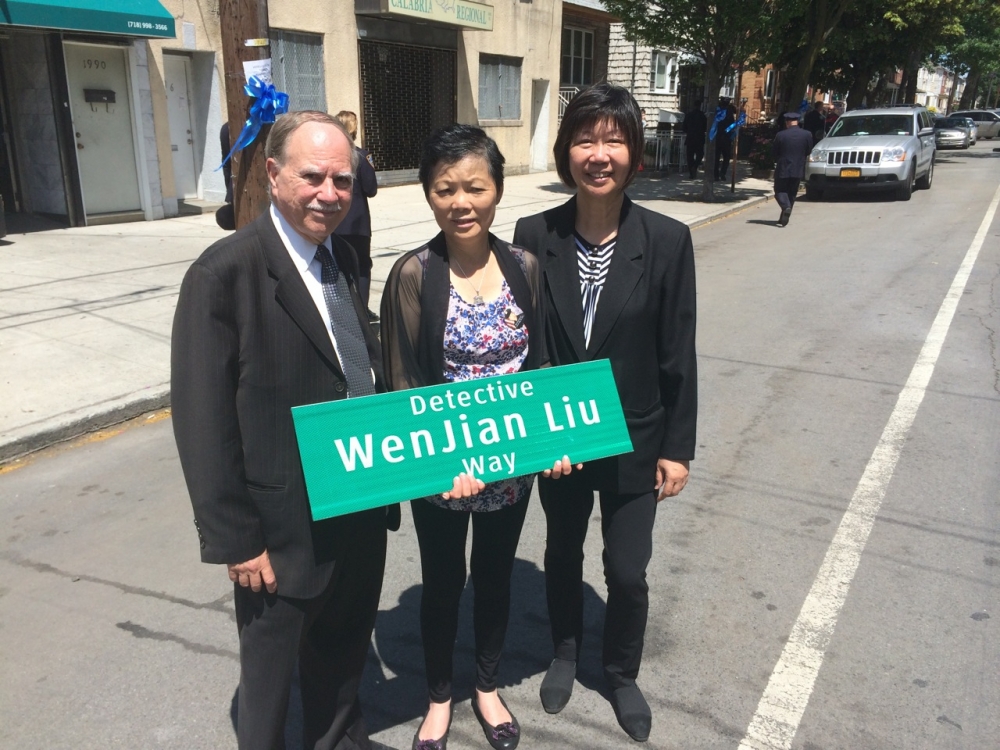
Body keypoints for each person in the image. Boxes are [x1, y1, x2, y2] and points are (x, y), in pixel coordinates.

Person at [172, 110, 396, 750]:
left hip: (358, 501)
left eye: (342, 179)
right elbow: (202, 421)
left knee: (342, 654)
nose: (330, 193)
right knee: (269, 682)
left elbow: (356, 366)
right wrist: (236, 539)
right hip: (279, 532)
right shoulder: (224, 274)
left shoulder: (346, 259)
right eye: (313, 176)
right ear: (273, 175)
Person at [512, 82, 698, 743]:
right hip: (558, 437)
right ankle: (565, 651)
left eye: (613, 140)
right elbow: (527, 342)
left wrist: (678, 448)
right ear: (566, 153)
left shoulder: (669, 240)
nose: (599, 153)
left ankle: (620, 672)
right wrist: (529, 432)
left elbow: (678, 350)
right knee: (562, 552)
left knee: (626, 568)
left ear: (634, 154)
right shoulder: (535, 233)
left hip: (635, 438)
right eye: (585, 139)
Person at [381, 123, 576, 750]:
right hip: (444, 470)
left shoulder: (523, 266)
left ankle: (486, 688)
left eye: (474, 187)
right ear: (428, 194)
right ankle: (439, 698)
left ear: (496, 190)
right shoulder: (413, 274)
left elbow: (541, 363)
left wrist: (552, 442)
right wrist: (440, 462)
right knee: (442, 581)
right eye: (444, 189)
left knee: (494, 576)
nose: (460, 202)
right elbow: (403, 384)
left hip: (511, 466)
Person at [333, 110, 379, 320]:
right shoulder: (362, 155)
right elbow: (371, 189)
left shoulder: (330, 157)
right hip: (358, 224)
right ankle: (361, 312)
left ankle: (342, 312)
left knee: (337, 267)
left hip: (334, 221)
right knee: (361, 267)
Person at [772, 111, 814, 226]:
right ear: (797, 121)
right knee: (792, 193)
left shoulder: (781, 135)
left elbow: (775, 151)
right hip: (798, 167)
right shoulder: (807, 134)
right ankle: (784, 216)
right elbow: (809, 150)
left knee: (779, 191)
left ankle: (786, 207)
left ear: (787, 122)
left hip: (783, 167)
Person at [682, 100, 707, 179]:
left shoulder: (688, 115)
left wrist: (689, 131)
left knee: (690, 156)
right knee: (700, 154)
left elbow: (684, 127)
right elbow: (705, 127)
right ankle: (695, 166)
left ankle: (691, 172)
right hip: (699, 138)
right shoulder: (702, 116)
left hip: (690, 138)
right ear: (700, 106)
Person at [714, 99, 736, 180]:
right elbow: (732, 125)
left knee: (716, 157)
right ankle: (722, 173)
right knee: (726, 157)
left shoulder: (718, 112)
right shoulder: (729, 113)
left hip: (718, 136)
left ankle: (716, 174)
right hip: (726, 137)